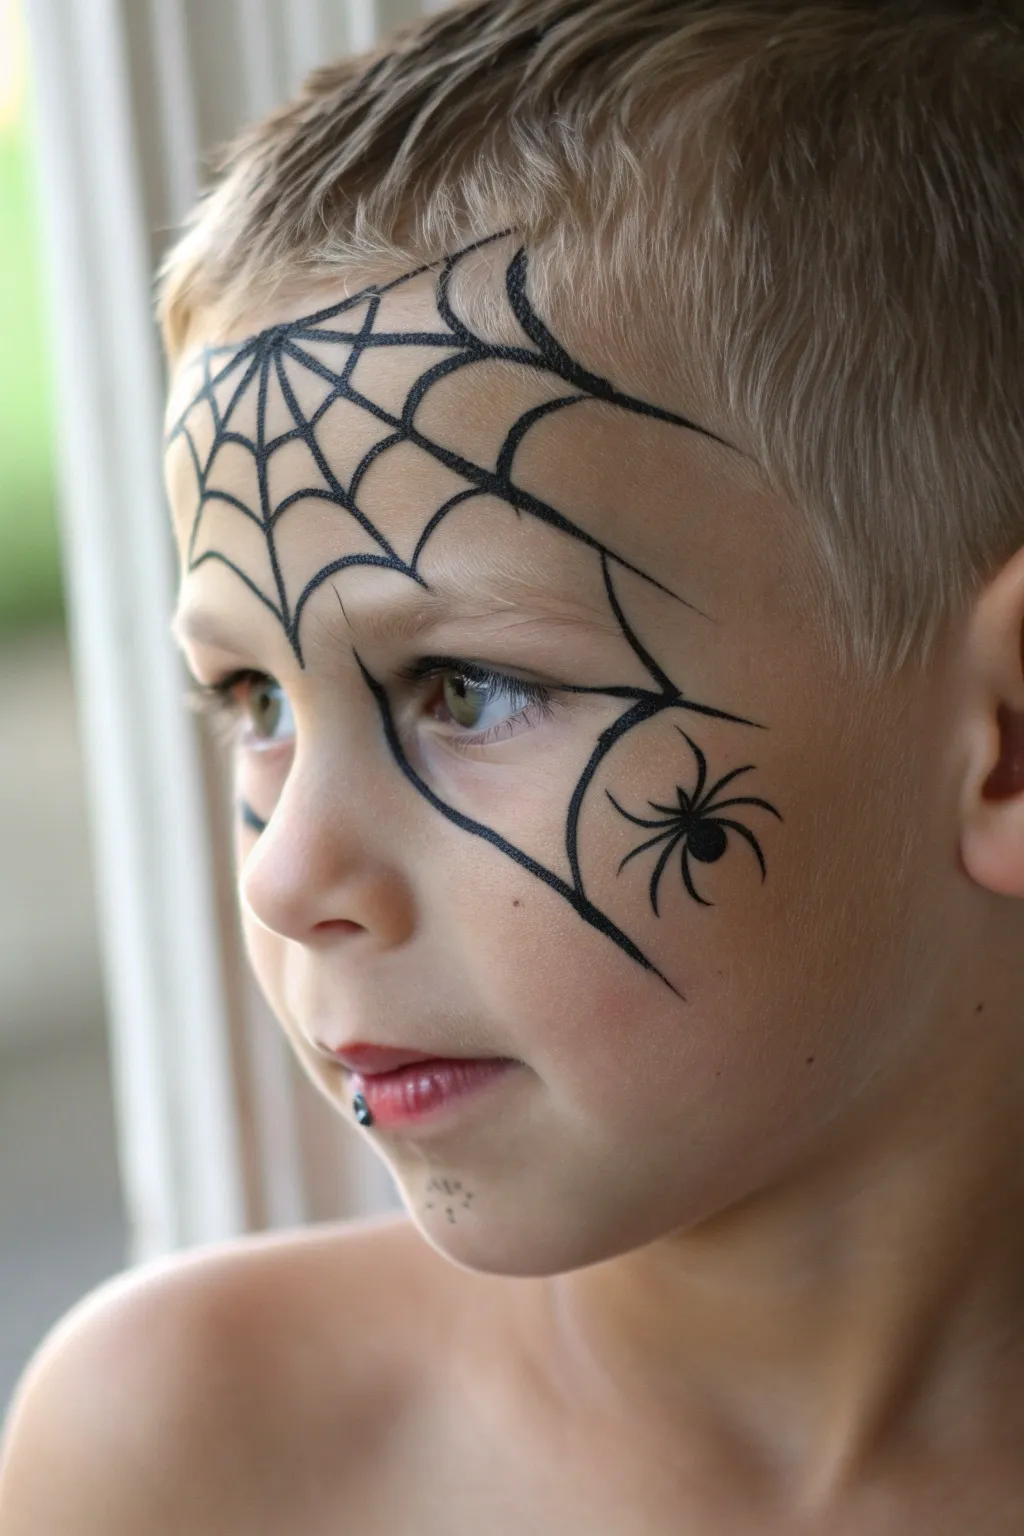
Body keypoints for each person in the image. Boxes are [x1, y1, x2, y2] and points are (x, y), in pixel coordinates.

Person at [3, 0, 1024, 1529]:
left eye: (466, 689)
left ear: (1002, 740)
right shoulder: (195, 1451)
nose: (287, 877)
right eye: (251, 699)